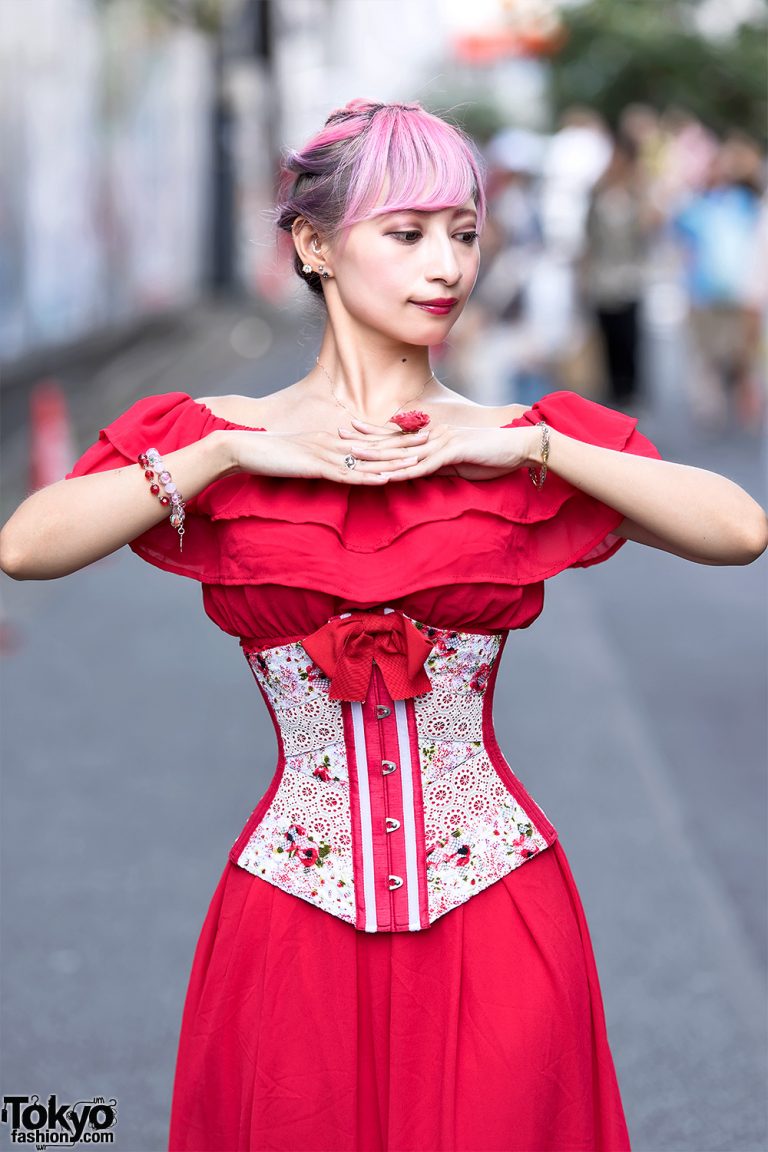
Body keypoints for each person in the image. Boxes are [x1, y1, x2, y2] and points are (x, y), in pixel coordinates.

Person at [1, 98, 766, 1152]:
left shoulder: (516, 442)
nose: (446, 266)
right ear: (313, 245)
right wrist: (224, 454)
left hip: (498, 911)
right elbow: (27, 546)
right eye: (407, 234)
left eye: (464, 233)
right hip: (289, 921)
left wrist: (533, 449)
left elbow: (739, 529)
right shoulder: (218, 440)